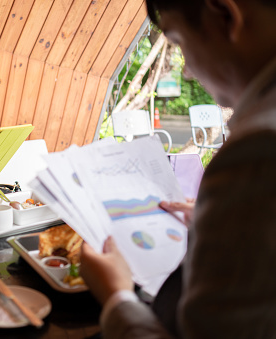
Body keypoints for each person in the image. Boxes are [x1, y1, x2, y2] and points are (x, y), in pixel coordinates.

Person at [80, 0, 276, 337]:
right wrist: (215, 220)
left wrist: (116, 297)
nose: (186, 70)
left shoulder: (257, 150)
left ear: (226, 15)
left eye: (179, 41)